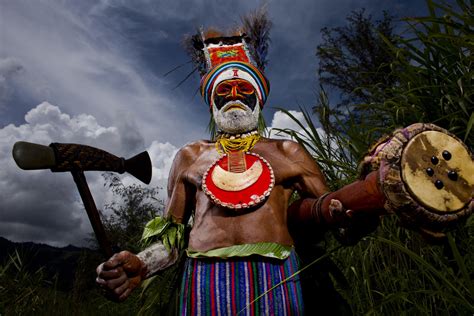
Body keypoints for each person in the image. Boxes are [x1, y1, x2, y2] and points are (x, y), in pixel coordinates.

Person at [96, 23, 386, 315]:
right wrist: (143, 263)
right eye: (224, 90)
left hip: (276, 278)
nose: (234, 95)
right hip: (203, 282)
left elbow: (335, 216)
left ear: (258, 99)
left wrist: (360, 213)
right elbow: (173, 242)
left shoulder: (288, 152)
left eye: (243, 89)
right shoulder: (190, 156)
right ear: (212, 101)